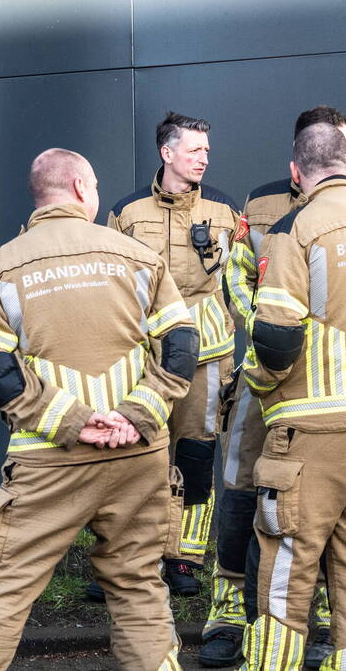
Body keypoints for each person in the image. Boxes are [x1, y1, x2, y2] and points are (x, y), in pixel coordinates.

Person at [0, 148, 198, 670]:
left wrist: (72, 424)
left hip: (49, 462)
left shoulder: (1, 267)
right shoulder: (140, 256)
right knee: (139, 584)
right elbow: (181, 345)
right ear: (80, 188)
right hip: (138, 457)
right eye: (95, 186)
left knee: (4, 589)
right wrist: (136, 417)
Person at [201, 106, 346, 669]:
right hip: (274, 395)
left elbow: (283, 334)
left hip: (295, 398)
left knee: (290, 545)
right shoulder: (261, 208)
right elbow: (238, 275)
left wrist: (263, 367)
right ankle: (228, 607)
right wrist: (254, 322)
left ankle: (306, 637)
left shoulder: (298, 226)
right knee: (239, 488)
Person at [106, 111, 239, 595]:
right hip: (144, 353)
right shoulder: (126, 211)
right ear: (167, 153)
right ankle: (124, 558)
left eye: (207, 150)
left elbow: (241, 275)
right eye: (194, 150)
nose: (205, 157)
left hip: (206, 353)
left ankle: (185, 558)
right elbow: (111, 285)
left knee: (197, 451)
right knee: (133, 452)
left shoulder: (226, 210)